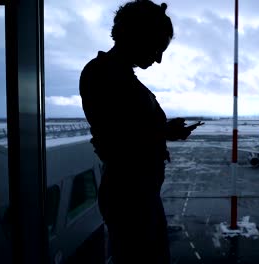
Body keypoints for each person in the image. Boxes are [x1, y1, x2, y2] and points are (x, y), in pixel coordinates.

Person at [79, 1, 200, 263]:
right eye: (157, 48)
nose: (158, 59)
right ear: (137, 36)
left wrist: (164, 132)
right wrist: (163, 132)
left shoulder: (116, 75)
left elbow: (127, 130)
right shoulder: (103, 74)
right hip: (130, 196)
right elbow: (115, 140)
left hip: (138, 192)